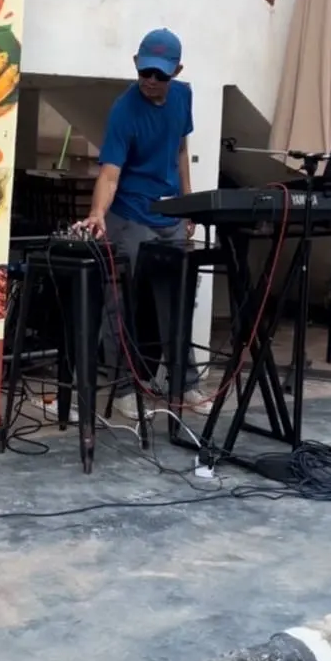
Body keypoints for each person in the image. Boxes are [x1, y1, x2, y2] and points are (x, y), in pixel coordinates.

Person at [84, 27, 210, 419]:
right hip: (129, 215)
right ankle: (123, 388)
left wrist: (187, 205)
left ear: (177, 71)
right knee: (119, 304)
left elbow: (181, 151)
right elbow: (110, 173)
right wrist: (97, 214)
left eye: (160, 74)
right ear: (136, 64)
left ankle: (184, 383)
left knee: (176, 300)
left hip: (168, 214)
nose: (151, 81)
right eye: (145, 72)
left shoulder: (184, 96)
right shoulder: (124, 110)